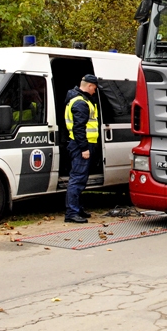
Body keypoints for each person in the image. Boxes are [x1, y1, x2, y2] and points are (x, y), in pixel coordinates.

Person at [64, 74, 100, 223]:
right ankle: (72, 212)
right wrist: (84, 148)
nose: (94, 92)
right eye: (94, 89)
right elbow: (78, 128)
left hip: (82, 144)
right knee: (77, 179)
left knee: (81, 179)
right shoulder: (80, 102)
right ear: (90, 86)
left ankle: (77, 209)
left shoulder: (80, 99)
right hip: (81, 145)